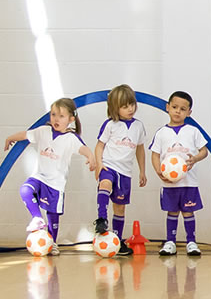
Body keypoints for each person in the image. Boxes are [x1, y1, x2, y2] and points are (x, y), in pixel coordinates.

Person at [5, 97, 95, 256]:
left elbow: (84, 149)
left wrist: (91, 157)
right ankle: (37, 219)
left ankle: (52, 242)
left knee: (53, 216)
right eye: (53, 114)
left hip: (56, 184)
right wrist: (10, 137)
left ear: (71, 119)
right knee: (25, 190)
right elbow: (26, 135)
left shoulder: (71, 138)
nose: (56, 119)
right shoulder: (42, 131)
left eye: (61, 116)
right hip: (39, 177)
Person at [149, 91, 209, 256]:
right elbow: (154, 154)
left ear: (189, 112)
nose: (177, 111)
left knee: (188, 212)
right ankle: (170, 242)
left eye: (183, 109)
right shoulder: (161, 133)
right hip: (169, 183)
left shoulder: (193, 131)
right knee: (172, 212)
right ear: (168, 108)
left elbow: (204, 151)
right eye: (174, 107)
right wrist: (158, 171)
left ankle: (191, 242)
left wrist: (195, 158)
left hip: (189, 182)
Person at [93, 84, 148, 256]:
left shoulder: (138, 126)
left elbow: (140, 149)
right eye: (125, 106)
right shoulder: (110, 125)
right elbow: (99, 145)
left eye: (132, 104)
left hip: (125, 172)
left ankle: (117, 241)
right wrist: (99, 164)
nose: (130, 109)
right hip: (109, 165)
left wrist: (142, 171)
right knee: (106, 183)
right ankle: (101, 219)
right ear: (115, 108)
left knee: (120, 208)